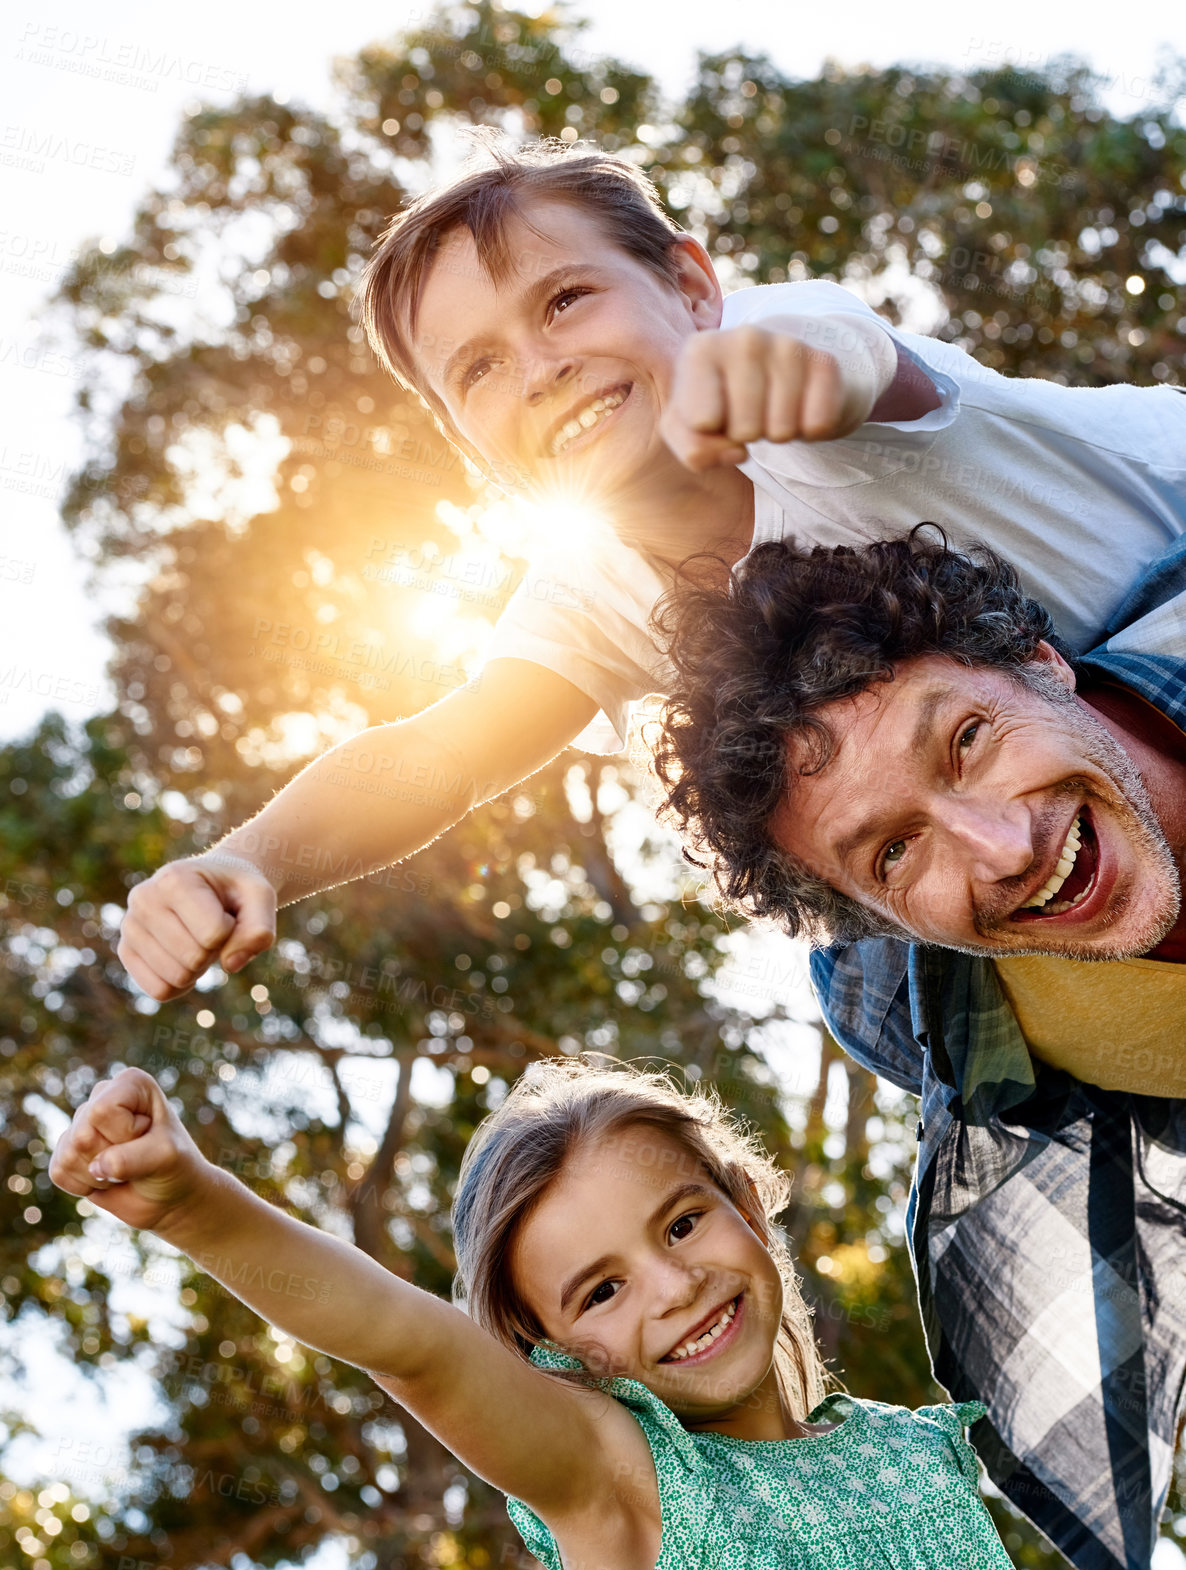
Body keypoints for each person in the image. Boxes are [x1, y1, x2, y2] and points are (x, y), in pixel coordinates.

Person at [114, 141, 1186, 1003]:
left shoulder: (785, 353)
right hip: (1059, 738)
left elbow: (849, 350)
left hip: (1164, 566)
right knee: (858, 960)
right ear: (468, 445)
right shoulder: (591, 591)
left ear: (690, 284)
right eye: (480, 369)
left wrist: (796, 381)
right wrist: (250, 860)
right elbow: (442, 751)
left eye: (566, 300)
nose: (541, 369)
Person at [49, 1057, 1064, 1570]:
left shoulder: (911, 1452)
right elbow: (411, 1344)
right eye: (599, 1292)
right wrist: (193, 1206)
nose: (671, 1285)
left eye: (680, 1222)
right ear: (557, 1360)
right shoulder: (624, 1484)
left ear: (748, 1210)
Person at [655, 523, 1186, 1570]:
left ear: (1040, 662)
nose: (999, 848)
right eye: (894, 854)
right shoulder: (956, 1038)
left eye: (970, 740)